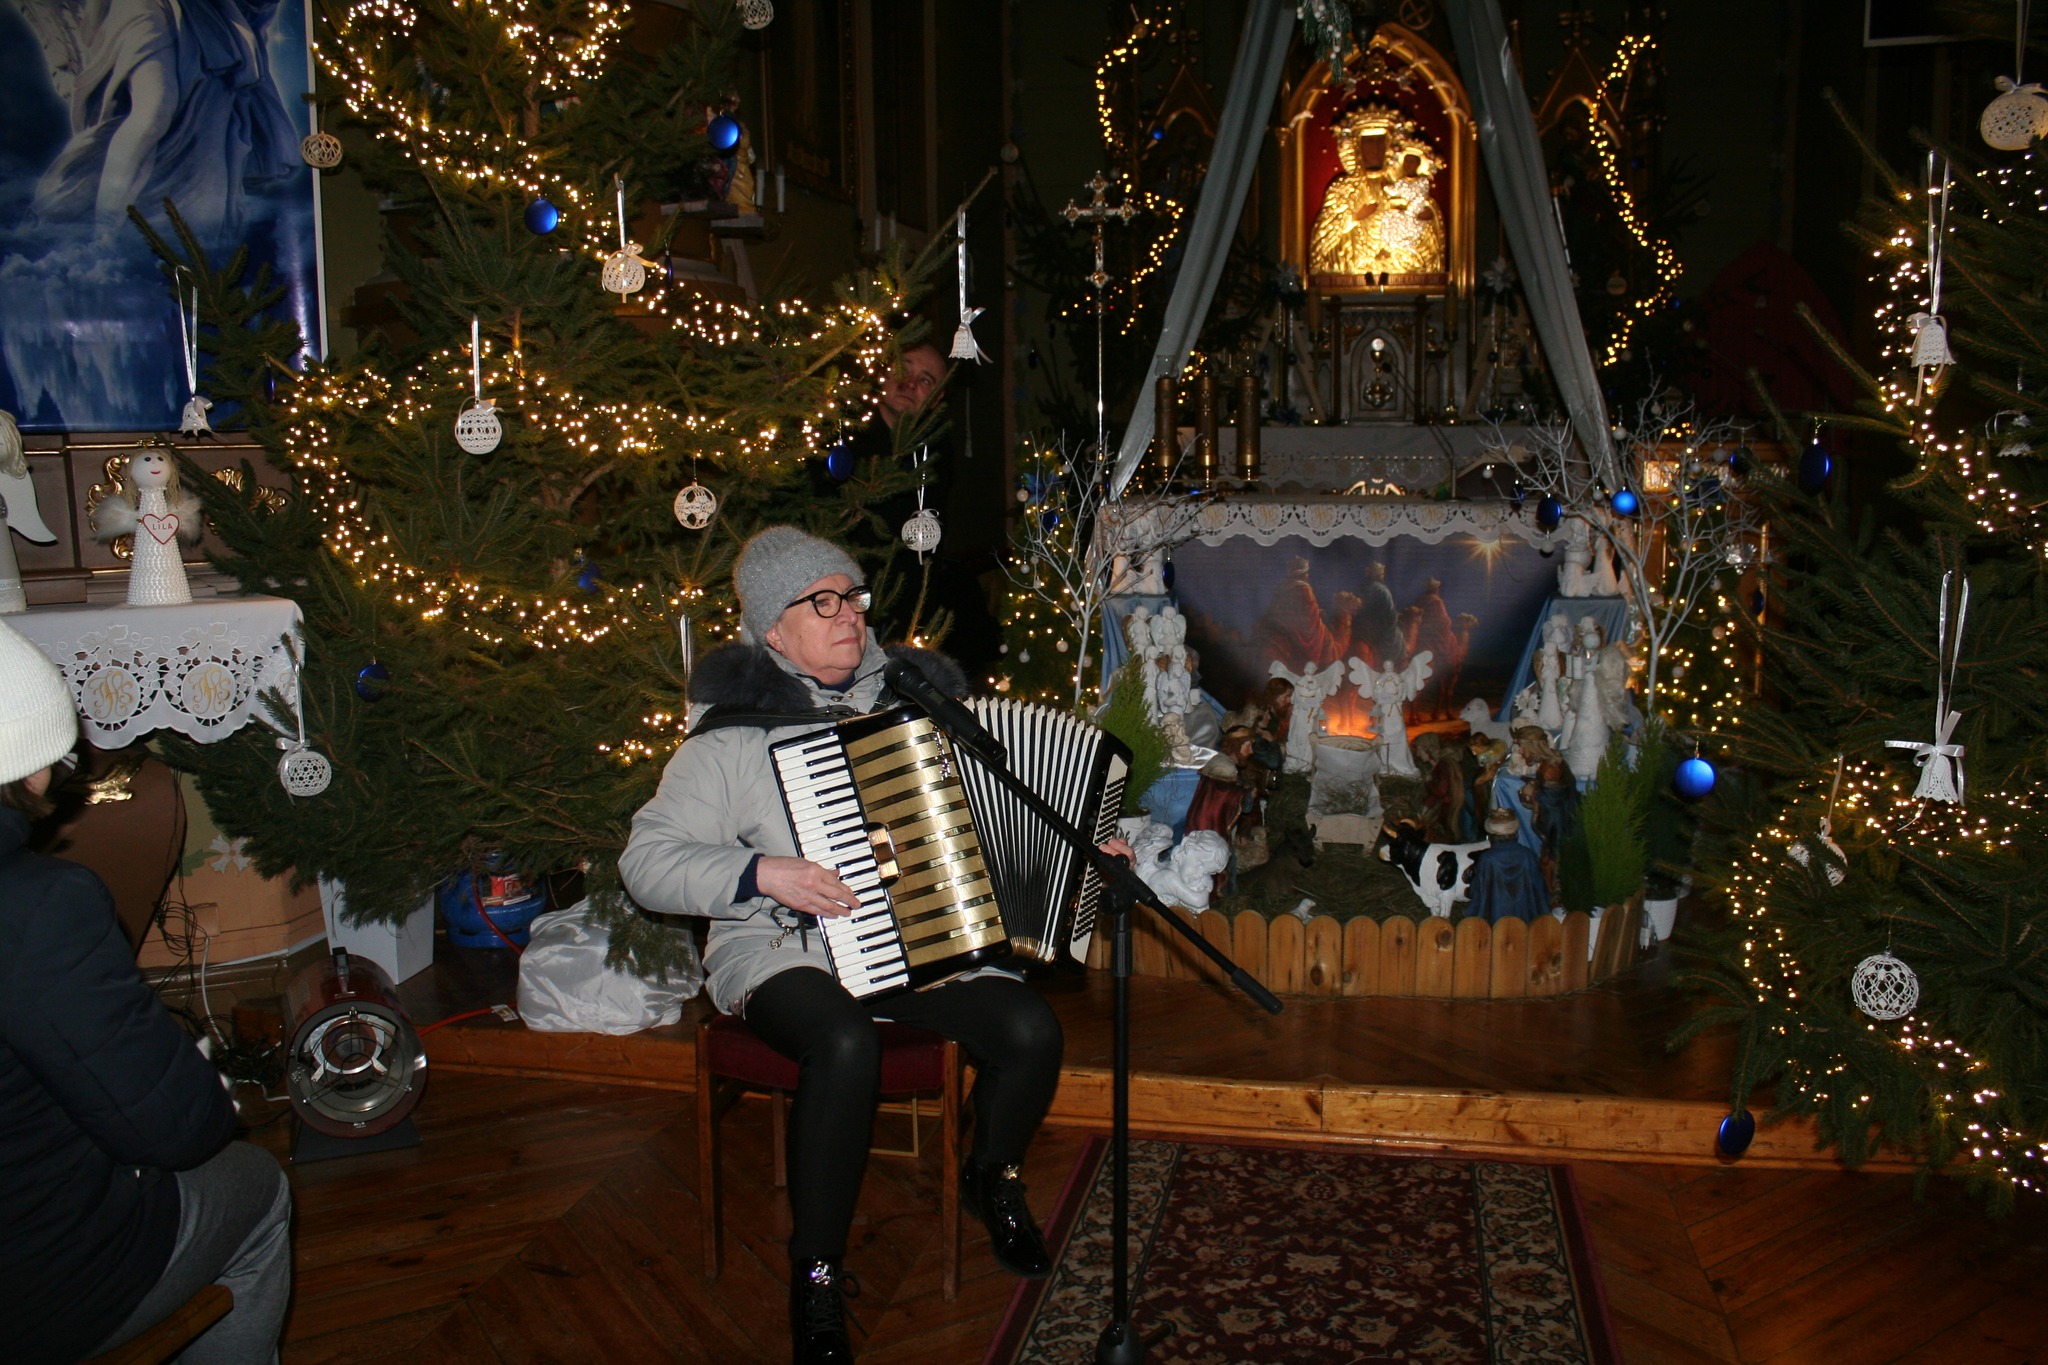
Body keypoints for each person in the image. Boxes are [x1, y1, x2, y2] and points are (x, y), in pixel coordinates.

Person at [620, 527, 1130, 1365]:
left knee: (1031, 1028)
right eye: (820, 602)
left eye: (852, 596)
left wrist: (1083, 847)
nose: (848, 614)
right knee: (844, 1041)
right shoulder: (732, 737)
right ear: (771, 628)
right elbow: (645, 863)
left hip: (917, 942)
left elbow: (1003, 811)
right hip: (783, 948)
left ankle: (991, 1174)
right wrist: (760, 871)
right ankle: (816, 1273)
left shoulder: (918, 706)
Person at [0, 619, 291, 1365]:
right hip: (35, 1288)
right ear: (31, 763)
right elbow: (178, 1131)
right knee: (258, 1186)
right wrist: (195, 1084)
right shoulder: (38, 907)